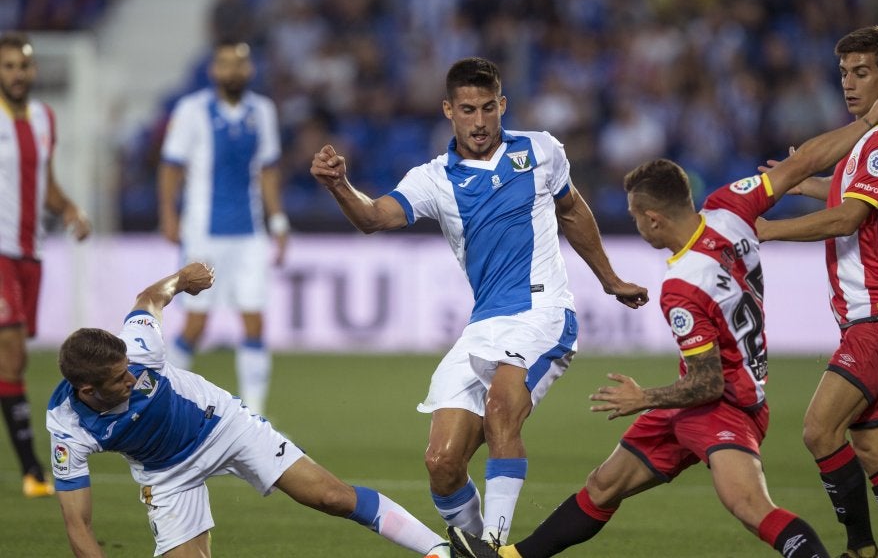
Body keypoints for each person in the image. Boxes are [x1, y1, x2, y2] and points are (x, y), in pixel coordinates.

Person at [447, 91, 878, 558]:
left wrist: (643, 398)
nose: (635, 225)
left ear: (653, 219)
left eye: (635, 217)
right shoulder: (730, 207)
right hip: (698, 402)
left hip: (727, 406)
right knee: (604, 485)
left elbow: (708, 383)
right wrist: (865, 124)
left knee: (752, 506)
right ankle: (509, 557)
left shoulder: (682, 288)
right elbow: (801, 165)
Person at [310, 57, 649, 546]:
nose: (480, 121)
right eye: (468, 110)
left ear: (502, 105)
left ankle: (493, 544)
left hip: (543, 311)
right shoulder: (434, 179)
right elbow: (373, 217)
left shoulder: (540, 151)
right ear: (449, 110)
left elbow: (571, 210)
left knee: (501, 405)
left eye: (489, 108)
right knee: (442, 463)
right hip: (484, 324)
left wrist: (609, 278)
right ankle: (474, 547)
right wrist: (340, 185)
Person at [47, 262, 453, 558]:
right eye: (119, 380)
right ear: (87, 389)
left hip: (224, 425)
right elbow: (78, 526)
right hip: (166, 474)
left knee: (331, 497)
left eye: (128, 372)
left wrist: (182, 280)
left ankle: (438, 549)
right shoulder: (68, 430)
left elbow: (149, 298)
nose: (131, 380)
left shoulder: (139, 349)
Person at [755, 26, 878, 558]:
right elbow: (843, 192)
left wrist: (768, 230)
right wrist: (800, 183)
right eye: (844, 73)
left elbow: (848, 217)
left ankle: (861, 550)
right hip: (875, 314)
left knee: (819, 430)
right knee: (872, 446)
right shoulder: (868, 139)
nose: (849, 83)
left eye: (862, 73)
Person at [158, 40, 288, 415]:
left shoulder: (263, 111)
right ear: (214, 70)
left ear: (250, 70)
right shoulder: (192, 110)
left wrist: (277, 220)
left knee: (254, 323)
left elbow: (268, 170)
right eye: (226, 64)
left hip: (249, 235)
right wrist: (168, 213)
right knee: (196, 326)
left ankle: (255, 416)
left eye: (240, 64)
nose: (233, 71)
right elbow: (171, 166)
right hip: (202, 234)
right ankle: (162, 401)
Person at [0, 31, 91, 498]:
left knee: (11, 359)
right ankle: (34, 471)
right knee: (12, 354)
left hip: (30, 254)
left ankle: (33, 470)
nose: (17, 74)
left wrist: (71, 209)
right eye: (9, 66)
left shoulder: (43, 118)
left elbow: (45, 186)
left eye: (24, 66)